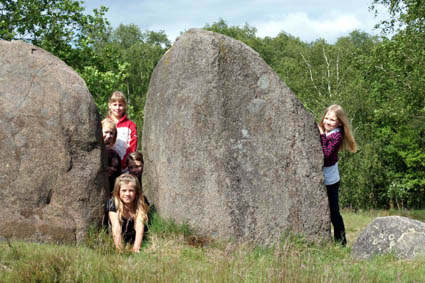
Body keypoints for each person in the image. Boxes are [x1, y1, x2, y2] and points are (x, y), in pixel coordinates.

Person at [318, 104, 357, 246]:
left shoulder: (336, 136)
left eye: (332, 120)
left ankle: (341, 242)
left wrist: (322, 135)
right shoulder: (328, 132)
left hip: (331, 181)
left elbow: (326, 156)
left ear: (339, 122)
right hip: (322, 177)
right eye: (326, 118)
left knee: (334, 213)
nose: (327, 122)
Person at [106, 173, 149, 253]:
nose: (127, 194)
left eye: (131, 190)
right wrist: (120, 249)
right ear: (118, 191)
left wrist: (136, 247)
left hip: (137, 237)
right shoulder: (113, 203)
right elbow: (116, 226)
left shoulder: (141, 201)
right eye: (124, 190)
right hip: (120, 236)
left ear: (136, 192)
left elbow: (140, 225)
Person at [107, 91, 137, 171]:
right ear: (110, 106)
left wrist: (124, 163)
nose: (117, 108)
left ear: (124, 107)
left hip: (125, 167)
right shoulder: (105, 123)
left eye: (120, 105)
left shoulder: (131, 125)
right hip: (108, 165)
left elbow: (133, 146)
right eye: (115, 105)